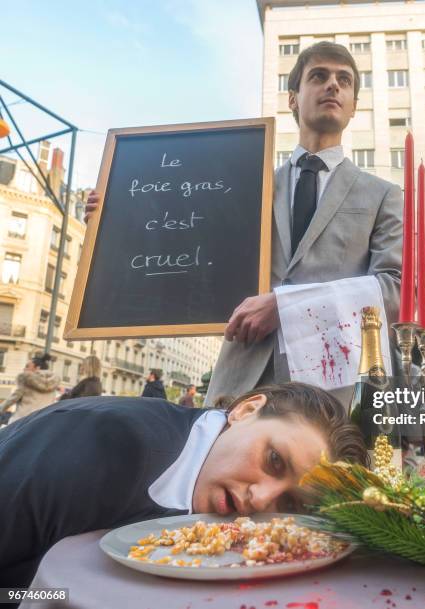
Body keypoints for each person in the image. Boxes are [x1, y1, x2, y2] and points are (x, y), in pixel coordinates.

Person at [85, 41, 403, 408]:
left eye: (344, 80)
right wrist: (114, 220)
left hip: (328, 393)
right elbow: (179, 243)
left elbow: (391, 293)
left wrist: (285, 307)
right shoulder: (244, 186)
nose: (333, 85)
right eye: (319, 76)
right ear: (293, 99)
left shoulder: (383, 195)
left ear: (353, 107)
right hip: (236, 384)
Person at [0, 382, 366, 589]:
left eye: (290, 503)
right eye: (273, 460)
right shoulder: (103, 442)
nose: (261, 499)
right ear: (246, 409)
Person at [0, 353, 60, 423]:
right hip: (42, 421)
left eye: (27, 366)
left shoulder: (26, 380)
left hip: (22, 421)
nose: (24, 369)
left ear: (37, 368)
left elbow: (11, 399)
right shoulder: (52, 383)